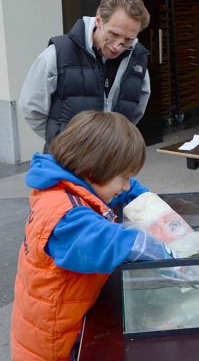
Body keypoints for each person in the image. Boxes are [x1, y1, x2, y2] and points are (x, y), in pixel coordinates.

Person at [11, 111, 172, 361]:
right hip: (52, 346)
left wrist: (152, 208)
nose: (127, 185)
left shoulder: (76, 183)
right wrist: (170, 257)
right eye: (124, 177)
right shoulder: (64, 216)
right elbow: (110, 242)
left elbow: (125, 193)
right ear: (93, 172)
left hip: (64, 323)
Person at [19, 0, 151, 152]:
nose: (118, 46)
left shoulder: (137, 59)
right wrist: (61, 141)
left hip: (113, 161)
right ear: (98, 21)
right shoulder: (57, 54)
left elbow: (137, 110)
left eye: (128, 40)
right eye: (113, 34)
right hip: (66, 162)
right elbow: (31, 108)